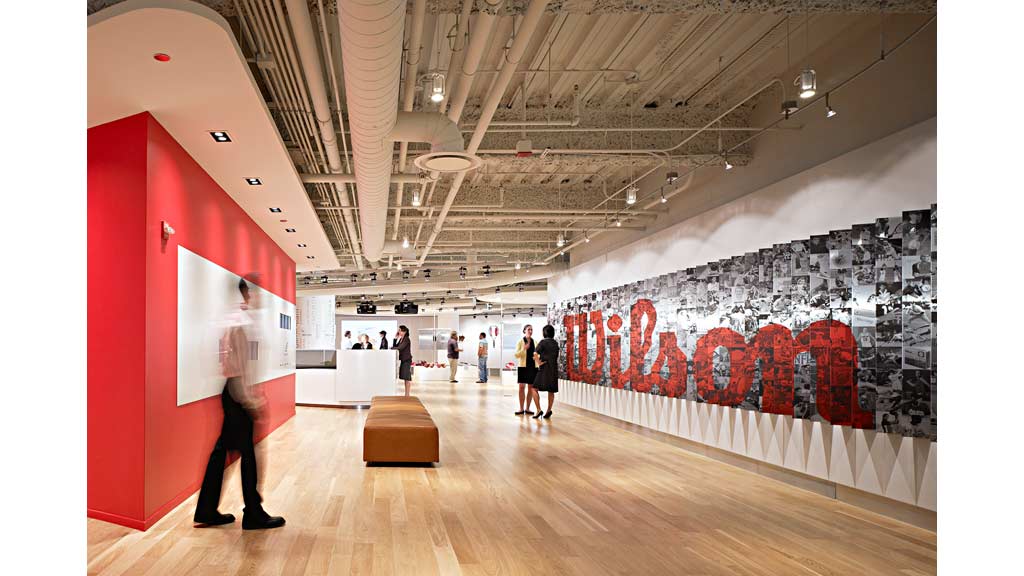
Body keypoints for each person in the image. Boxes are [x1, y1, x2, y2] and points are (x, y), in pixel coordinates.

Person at [194, 276, 285, 530]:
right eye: (257, 292)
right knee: (249, 454)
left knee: (224, 451)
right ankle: (253, 512)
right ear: (247, 293)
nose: (261, 297)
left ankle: (207, 509)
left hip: (234, 393)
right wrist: (250, 399)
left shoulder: (239, 320)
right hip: (238, 395)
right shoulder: (243, 324)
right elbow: (239, 368)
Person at [532, 324, 560, 419]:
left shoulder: (543, 342)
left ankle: (538, 410)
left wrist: (538, 362)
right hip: (553, 369)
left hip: (544, 369)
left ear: (544, 333)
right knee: (551, 390)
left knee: (534, 388)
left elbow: (535, 353)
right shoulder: (555, 343)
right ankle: (548, 410)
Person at [514, 325, 537, 415]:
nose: (530, 331)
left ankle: (527, 408)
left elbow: (537, 354)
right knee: (521, 387)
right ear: (524, 331)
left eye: (531, 329)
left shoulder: (535, 342)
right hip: (523, 367)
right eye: (528, 329)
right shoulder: (520, 342)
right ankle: (521, 408)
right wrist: (524, 349)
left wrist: (537, 357)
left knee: (531, 388)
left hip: (533, 367)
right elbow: (516, 355)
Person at [394, 325, 413, 397]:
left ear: (404, 331)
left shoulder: (406, 339)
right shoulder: (401, 339)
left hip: (407, 360)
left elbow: (400, 348)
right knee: (405, 377)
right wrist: (395, 338)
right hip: (403, 360)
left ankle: (407, 394)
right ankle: (406, 394)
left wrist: (392, 348)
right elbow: (396, 345)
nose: (398, 332)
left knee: (407, 378)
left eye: (400, 330)